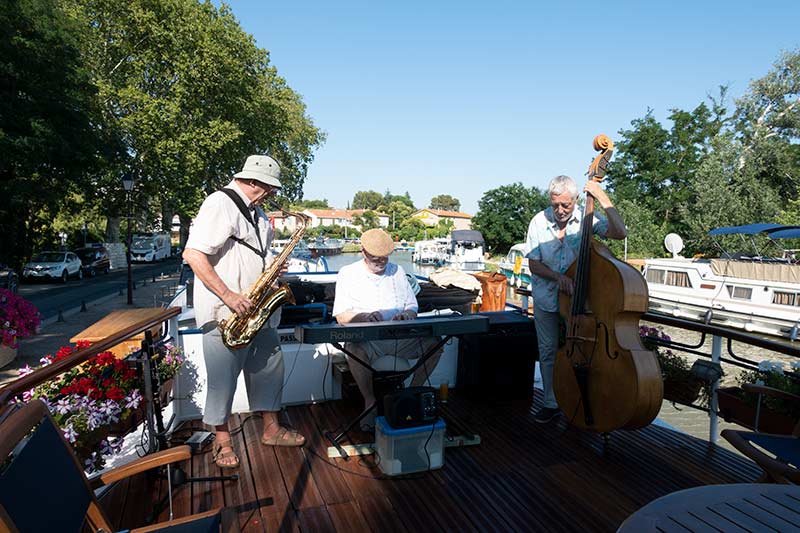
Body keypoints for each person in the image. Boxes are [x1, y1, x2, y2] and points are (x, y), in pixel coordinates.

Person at [183, 154, 305, 469]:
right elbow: (194, 254)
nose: (274, 194)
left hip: (257, 309)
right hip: (228, 311)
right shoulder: (219, 204)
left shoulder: (259, 215)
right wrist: (229, 295)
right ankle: (222, 441)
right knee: (223, 379)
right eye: (270, 187)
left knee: (270, 368)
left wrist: (273, 267)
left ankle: (271, 429)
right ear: (253, 181)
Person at [525, 175, 627, 423]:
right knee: (548, 352)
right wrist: (557, 277)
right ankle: (550, 403)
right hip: (546, 298)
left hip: (577, 300)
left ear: (576, 200)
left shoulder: (587, 219)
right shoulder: (538, 221)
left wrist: (601, 196)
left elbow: (619, 233)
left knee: (584, 350)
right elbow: (533, 264)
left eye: (565, 205)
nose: (560, 210)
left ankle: (582, 401)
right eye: (555, 204)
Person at [332, 228, 443, 429]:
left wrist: (407, 315)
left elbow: (412, 306)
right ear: (364, 252)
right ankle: (369, 401)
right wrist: (364, 317)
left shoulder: (398, 271)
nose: (381, 262)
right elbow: (341, 316)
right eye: (376, 258)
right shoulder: (348, 273)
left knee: (435, 345)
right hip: (368, 340)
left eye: (384, 258)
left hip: (399, 337)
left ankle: (412, 393)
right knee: (353, 347)